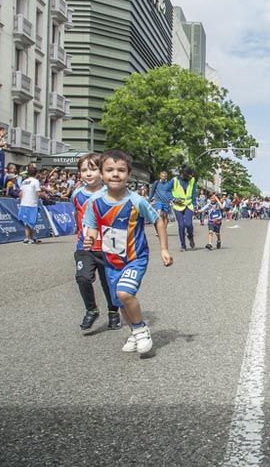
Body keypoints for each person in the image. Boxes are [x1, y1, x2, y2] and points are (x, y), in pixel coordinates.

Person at [82, 150, 173, 355]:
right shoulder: (95, 201)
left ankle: (141, 329)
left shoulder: (136, 201)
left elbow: (158, 220)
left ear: (128, 174)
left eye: (121, 170)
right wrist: (90, 237)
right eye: (110, 170)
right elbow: (92, 224)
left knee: (125, 293)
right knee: (120, 301)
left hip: (135, 258)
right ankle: (134, 331)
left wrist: (164, 249)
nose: (115, 174)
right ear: (102, 174)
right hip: (112, 261)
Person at [71, 153, 121, 333]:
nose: (88, 173)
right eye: (84, 170)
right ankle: (91, 309)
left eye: (92, 169)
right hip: (85, 247)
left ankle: (113, 312)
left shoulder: (111, 193)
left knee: (108, 282)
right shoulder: (77, 194)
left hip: (107, 248)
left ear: (101, 172)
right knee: (82, 277)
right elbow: (77, 215)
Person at [171, 164, 198, 251]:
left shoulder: (192, 180)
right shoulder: (174, 180)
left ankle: (190, 237)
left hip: (188, 205)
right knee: (181, 226)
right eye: (189, 175)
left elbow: (194, 193)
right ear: (184, 173)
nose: (191, 177)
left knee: (189, 224)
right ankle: (183, 245)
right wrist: (173, 199)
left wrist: (194, 204)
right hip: (178, 206)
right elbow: (166, 190)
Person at [17, 164, 43, 245]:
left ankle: (31, 237)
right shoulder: (36, 181)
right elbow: (38, 193)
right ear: (36, 174)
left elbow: (20, 193)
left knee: (27, 222)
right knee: (30, 222)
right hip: (32, 204)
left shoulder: (24, 181)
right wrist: (46, 196)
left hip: (23, 204)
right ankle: (28, 238)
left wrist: (21, 202)